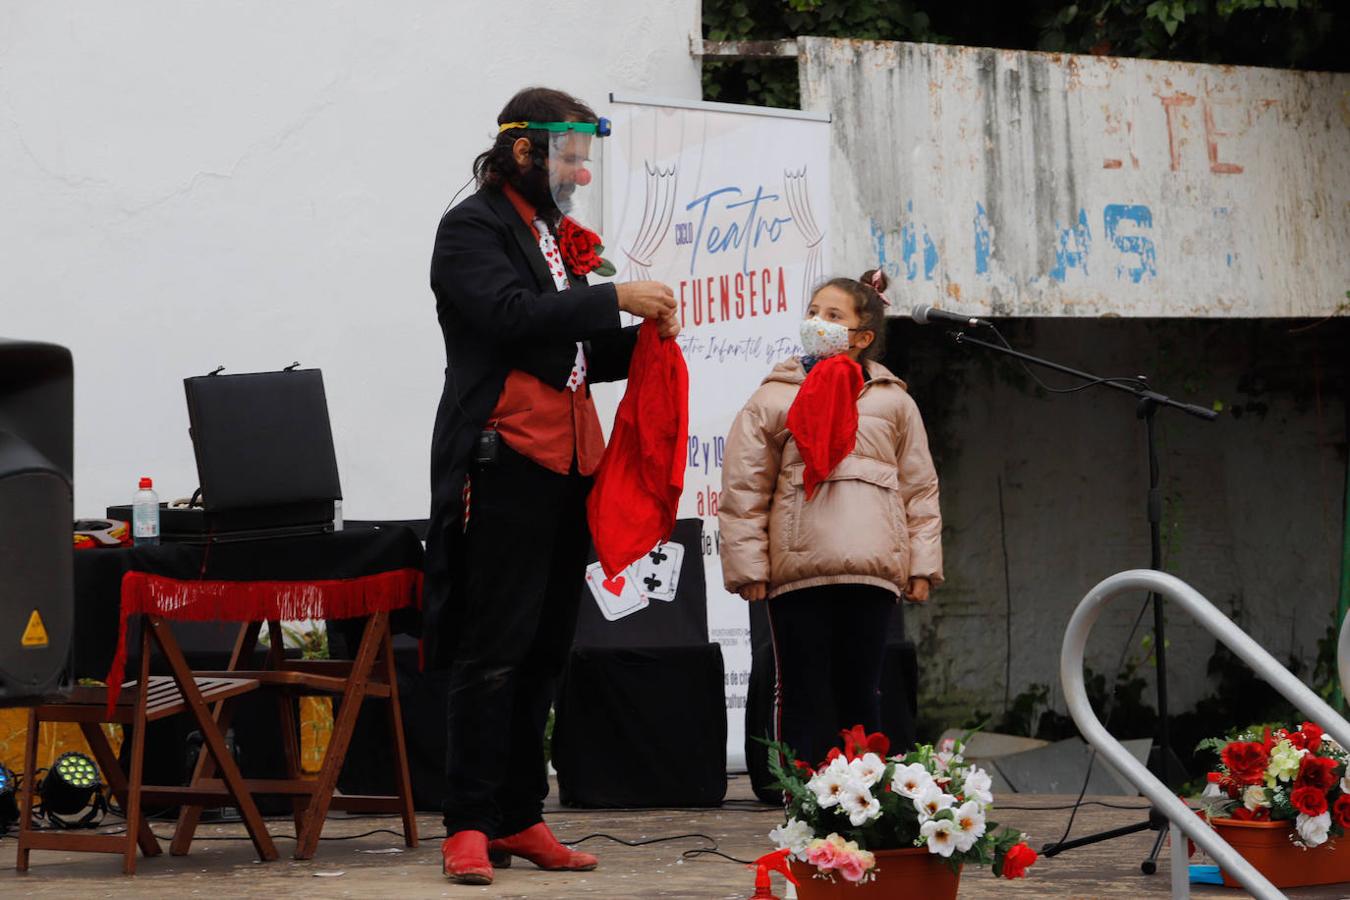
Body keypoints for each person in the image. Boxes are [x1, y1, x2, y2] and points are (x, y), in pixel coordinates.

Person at [422, 86, 679, 885]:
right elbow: (508, 317)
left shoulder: (552, 237)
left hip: (569, 463)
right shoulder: (471, 228)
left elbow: (572, 355)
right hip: (504, 461)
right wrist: (611, 297)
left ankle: (521, 815)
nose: (580, 173)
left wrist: (641, 337)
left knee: (543, 653)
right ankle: (467, 823)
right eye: (569, 157)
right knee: (491, 652)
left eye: (584, 159)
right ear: (524, 152)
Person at [718, 270, 942, 767]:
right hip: (798, 571)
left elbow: (919, 488)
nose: (818, 322)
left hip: (872, 569)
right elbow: (744, 490)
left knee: (864, 692)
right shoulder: (773, 398)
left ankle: (863, 806)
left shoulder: (895, 401)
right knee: (802, 692)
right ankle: (804, 808)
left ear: (862, 337)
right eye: (814, 312)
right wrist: (749, 568)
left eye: (833, 316)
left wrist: (922, 565)